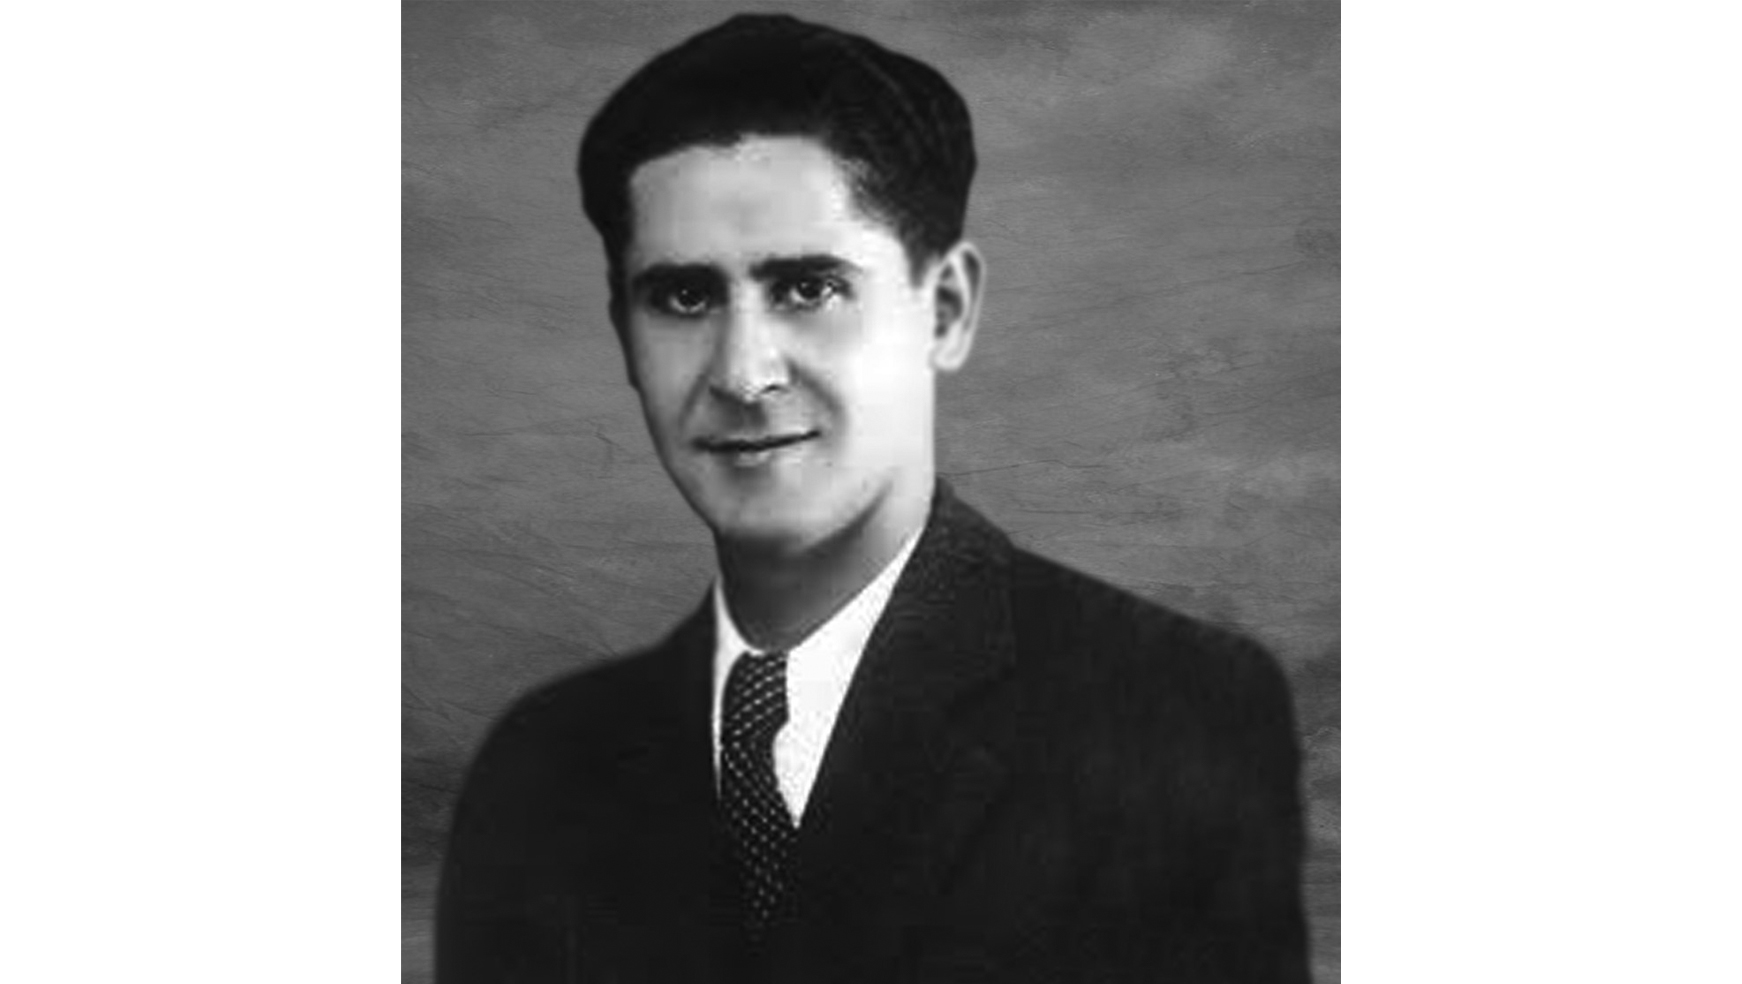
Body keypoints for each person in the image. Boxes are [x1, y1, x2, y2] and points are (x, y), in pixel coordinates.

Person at [438, 13, 1308, 983]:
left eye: (807, 287)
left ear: (946, 309)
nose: (744, 372)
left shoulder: (1170, 719)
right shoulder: (541, 769)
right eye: (684, 297)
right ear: (624, 338)